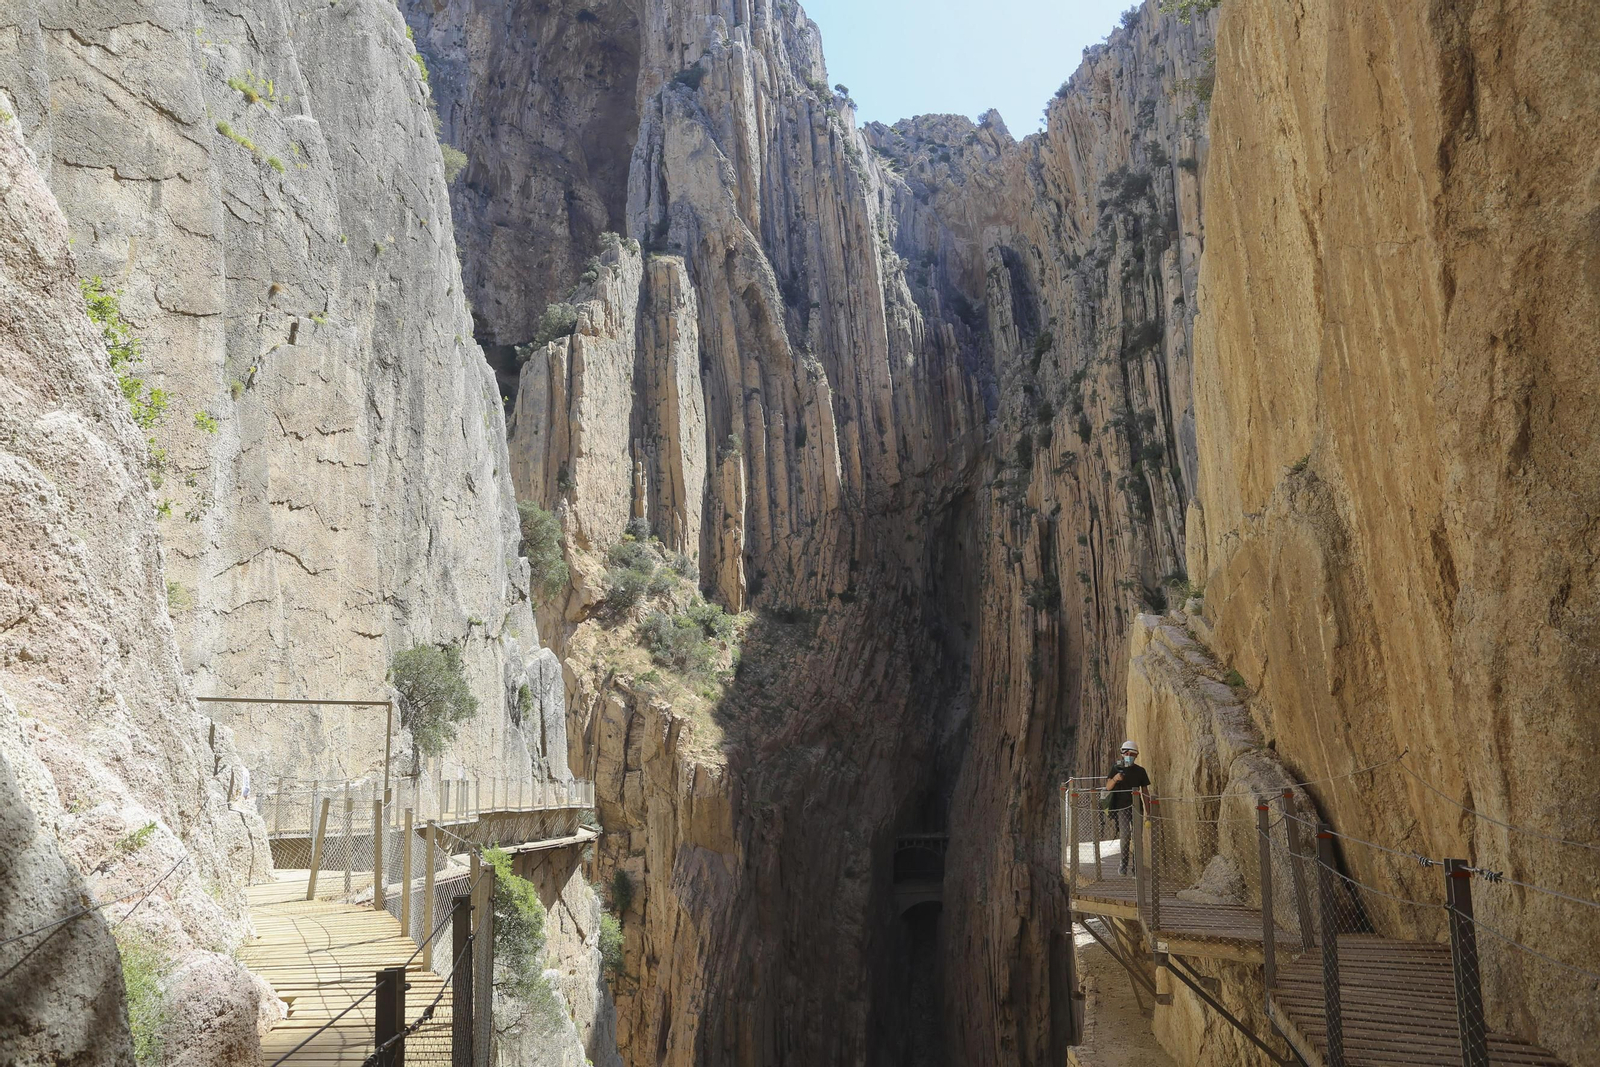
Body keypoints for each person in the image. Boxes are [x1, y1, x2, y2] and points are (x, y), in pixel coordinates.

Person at [1104, 741, 1151, 876]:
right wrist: (1115, 778)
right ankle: (1123, 864)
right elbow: (1108, 787)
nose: (1129, 756)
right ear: (1123, 754)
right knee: (1125, 836)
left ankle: (1136, 868)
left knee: (1137, 838)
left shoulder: (1140, 771)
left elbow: (1145, 792)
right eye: (1127, 753)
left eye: (1132, 754)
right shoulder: (1116, 768)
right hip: (1122, 808)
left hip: (1137, 807)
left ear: (1136, 755)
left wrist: (1148, 811)